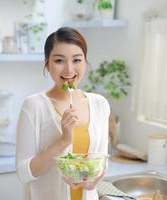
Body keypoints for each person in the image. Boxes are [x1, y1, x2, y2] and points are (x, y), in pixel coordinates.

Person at [16, 27, 110, 200]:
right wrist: (63, 141)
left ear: (85, 62)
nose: (68, 69)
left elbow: (101, 161)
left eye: (77, 60)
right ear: (47, 63)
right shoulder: (33, 106)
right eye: (59, 60)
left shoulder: (100, 104)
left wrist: (94, 181)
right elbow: (24, 173)